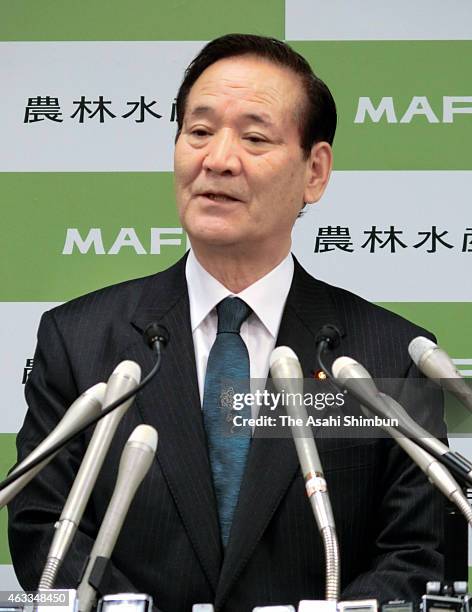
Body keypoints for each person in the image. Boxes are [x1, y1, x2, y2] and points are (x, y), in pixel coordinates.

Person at [8, 34, 445, 612]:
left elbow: (418, 552)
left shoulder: (386, 355)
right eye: (199, 131)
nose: (217, 159)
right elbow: (44, 528)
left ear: (315, 171)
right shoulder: (79, 340)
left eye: (255, 137)